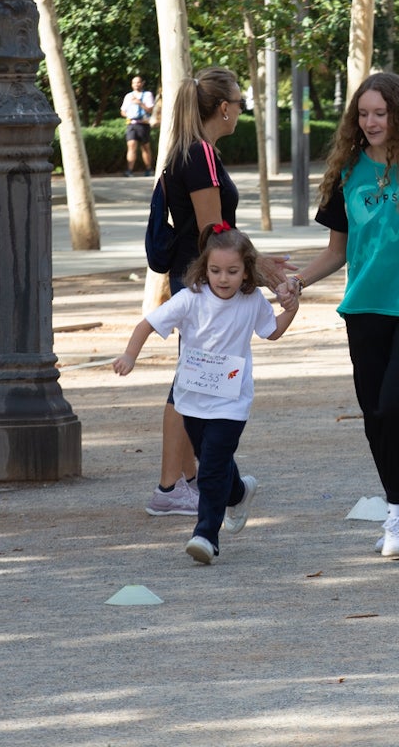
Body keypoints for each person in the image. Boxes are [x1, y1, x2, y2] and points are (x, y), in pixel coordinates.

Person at [284, 72, 399, 560]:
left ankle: (395, 512)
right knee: (373, 413)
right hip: (363, 307)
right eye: (362, 114)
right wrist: (296, 282)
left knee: (393, 404)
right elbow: (336, 252)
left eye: (379, 113)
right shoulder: (347, 171)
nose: (369, 122)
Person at [146, 67, 293, 518]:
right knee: (188, 383)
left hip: (198, 274)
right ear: (224, 108)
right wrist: (260, 269)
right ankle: (172, 487)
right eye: (240, 101)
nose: (241, 109)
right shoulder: (201, 155)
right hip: (201, 278)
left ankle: (193, 482)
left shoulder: (190, 151)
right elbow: (214, 229)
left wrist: (258, 264)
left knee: (193, 378)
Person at [113, 223, 298, 564]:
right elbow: (147, 325)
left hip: (232, 401)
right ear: (204, 268)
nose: (223, 278)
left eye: (232, 271)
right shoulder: (190, 298)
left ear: (247, 272)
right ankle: (240, 492)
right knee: (212, 461)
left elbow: (271, 333)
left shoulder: (252, 300)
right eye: (215, 270)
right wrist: (129, 355)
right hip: (192, 399)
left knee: (211, 467)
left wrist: (291, 310)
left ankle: (206, 535)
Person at [121, 76, 155, 177]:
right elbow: (123, 111)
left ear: (142, 83)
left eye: (138, 82)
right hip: (132, 124)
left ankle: (148, 168)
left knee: (145, 147)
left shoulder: (148, 95)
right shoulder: (128, 96)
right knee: (131, 146)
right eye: (134, 83)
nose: (136, 85)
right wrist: (128, 115)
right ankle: (129, 170)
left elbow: (150, 110)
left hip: (143, 124)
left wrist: (140, 103)